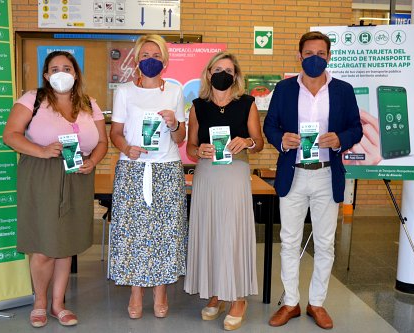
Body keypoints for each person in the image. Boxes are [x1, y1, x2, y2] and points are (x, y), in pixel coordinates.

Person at [263, 31, 363, 329]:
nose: (315, 58)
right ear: (300, 56)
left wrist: (340, 139)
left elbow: (356, 128)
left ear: (329, 56)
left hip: (326, 174)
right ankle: (291, 303)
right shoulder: (283, 89)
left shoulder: (344, 90)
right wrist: (283, 139)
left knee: (325, 243)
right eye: (309, 53)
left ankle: (317, 303)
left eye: (321, 53)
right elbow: (270, 125)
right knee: (289, 241)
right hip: (292, 175)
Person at [2, 51, 108, 328]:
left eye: (67, 68)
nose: (62, 72)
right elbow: (10, 134)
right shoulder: (32, 99)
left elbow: (102, 142)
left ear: (75, 74)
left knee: (66, 243)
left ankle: (58, 304)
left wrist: (93, 161)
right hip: (42, 173)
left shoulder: (89, 103)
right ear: (47, 75)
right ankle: (39, 302)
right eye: (54, 68)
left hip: (78, 174)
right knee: (44, 246)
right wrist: (41, 150)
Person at [109, 34, 187, 319]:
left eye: (156, 55)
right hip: (132, 170)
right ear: (137, 60)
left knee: (166, 233)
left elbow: (180, 138)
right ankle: (135, 291)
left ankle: (161, 291)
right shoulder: (125, 91)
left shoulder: (175, 91)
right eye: (144, 55)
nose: (150, 60)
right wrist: (126, 148)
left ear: (164, 60)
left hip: (166, 169)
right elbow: (115, 133)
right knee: (133, 233)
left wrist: (175, 122)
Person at [184, 51, 264, 331]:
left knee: (232, 232)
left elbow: (260, 142)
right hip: (206, 174)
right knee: (211, 232)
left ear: (236, 76)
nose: (223, 74)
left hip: (235, 173)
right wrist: (199, 151)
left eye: (229, 70)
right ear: (208, 74)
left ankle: (238, 298)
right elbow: (191, 147)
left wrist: (248, 142)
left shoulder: (247, 104)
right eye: (218, 69)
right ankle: (216, 293)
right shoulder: (197, 106)